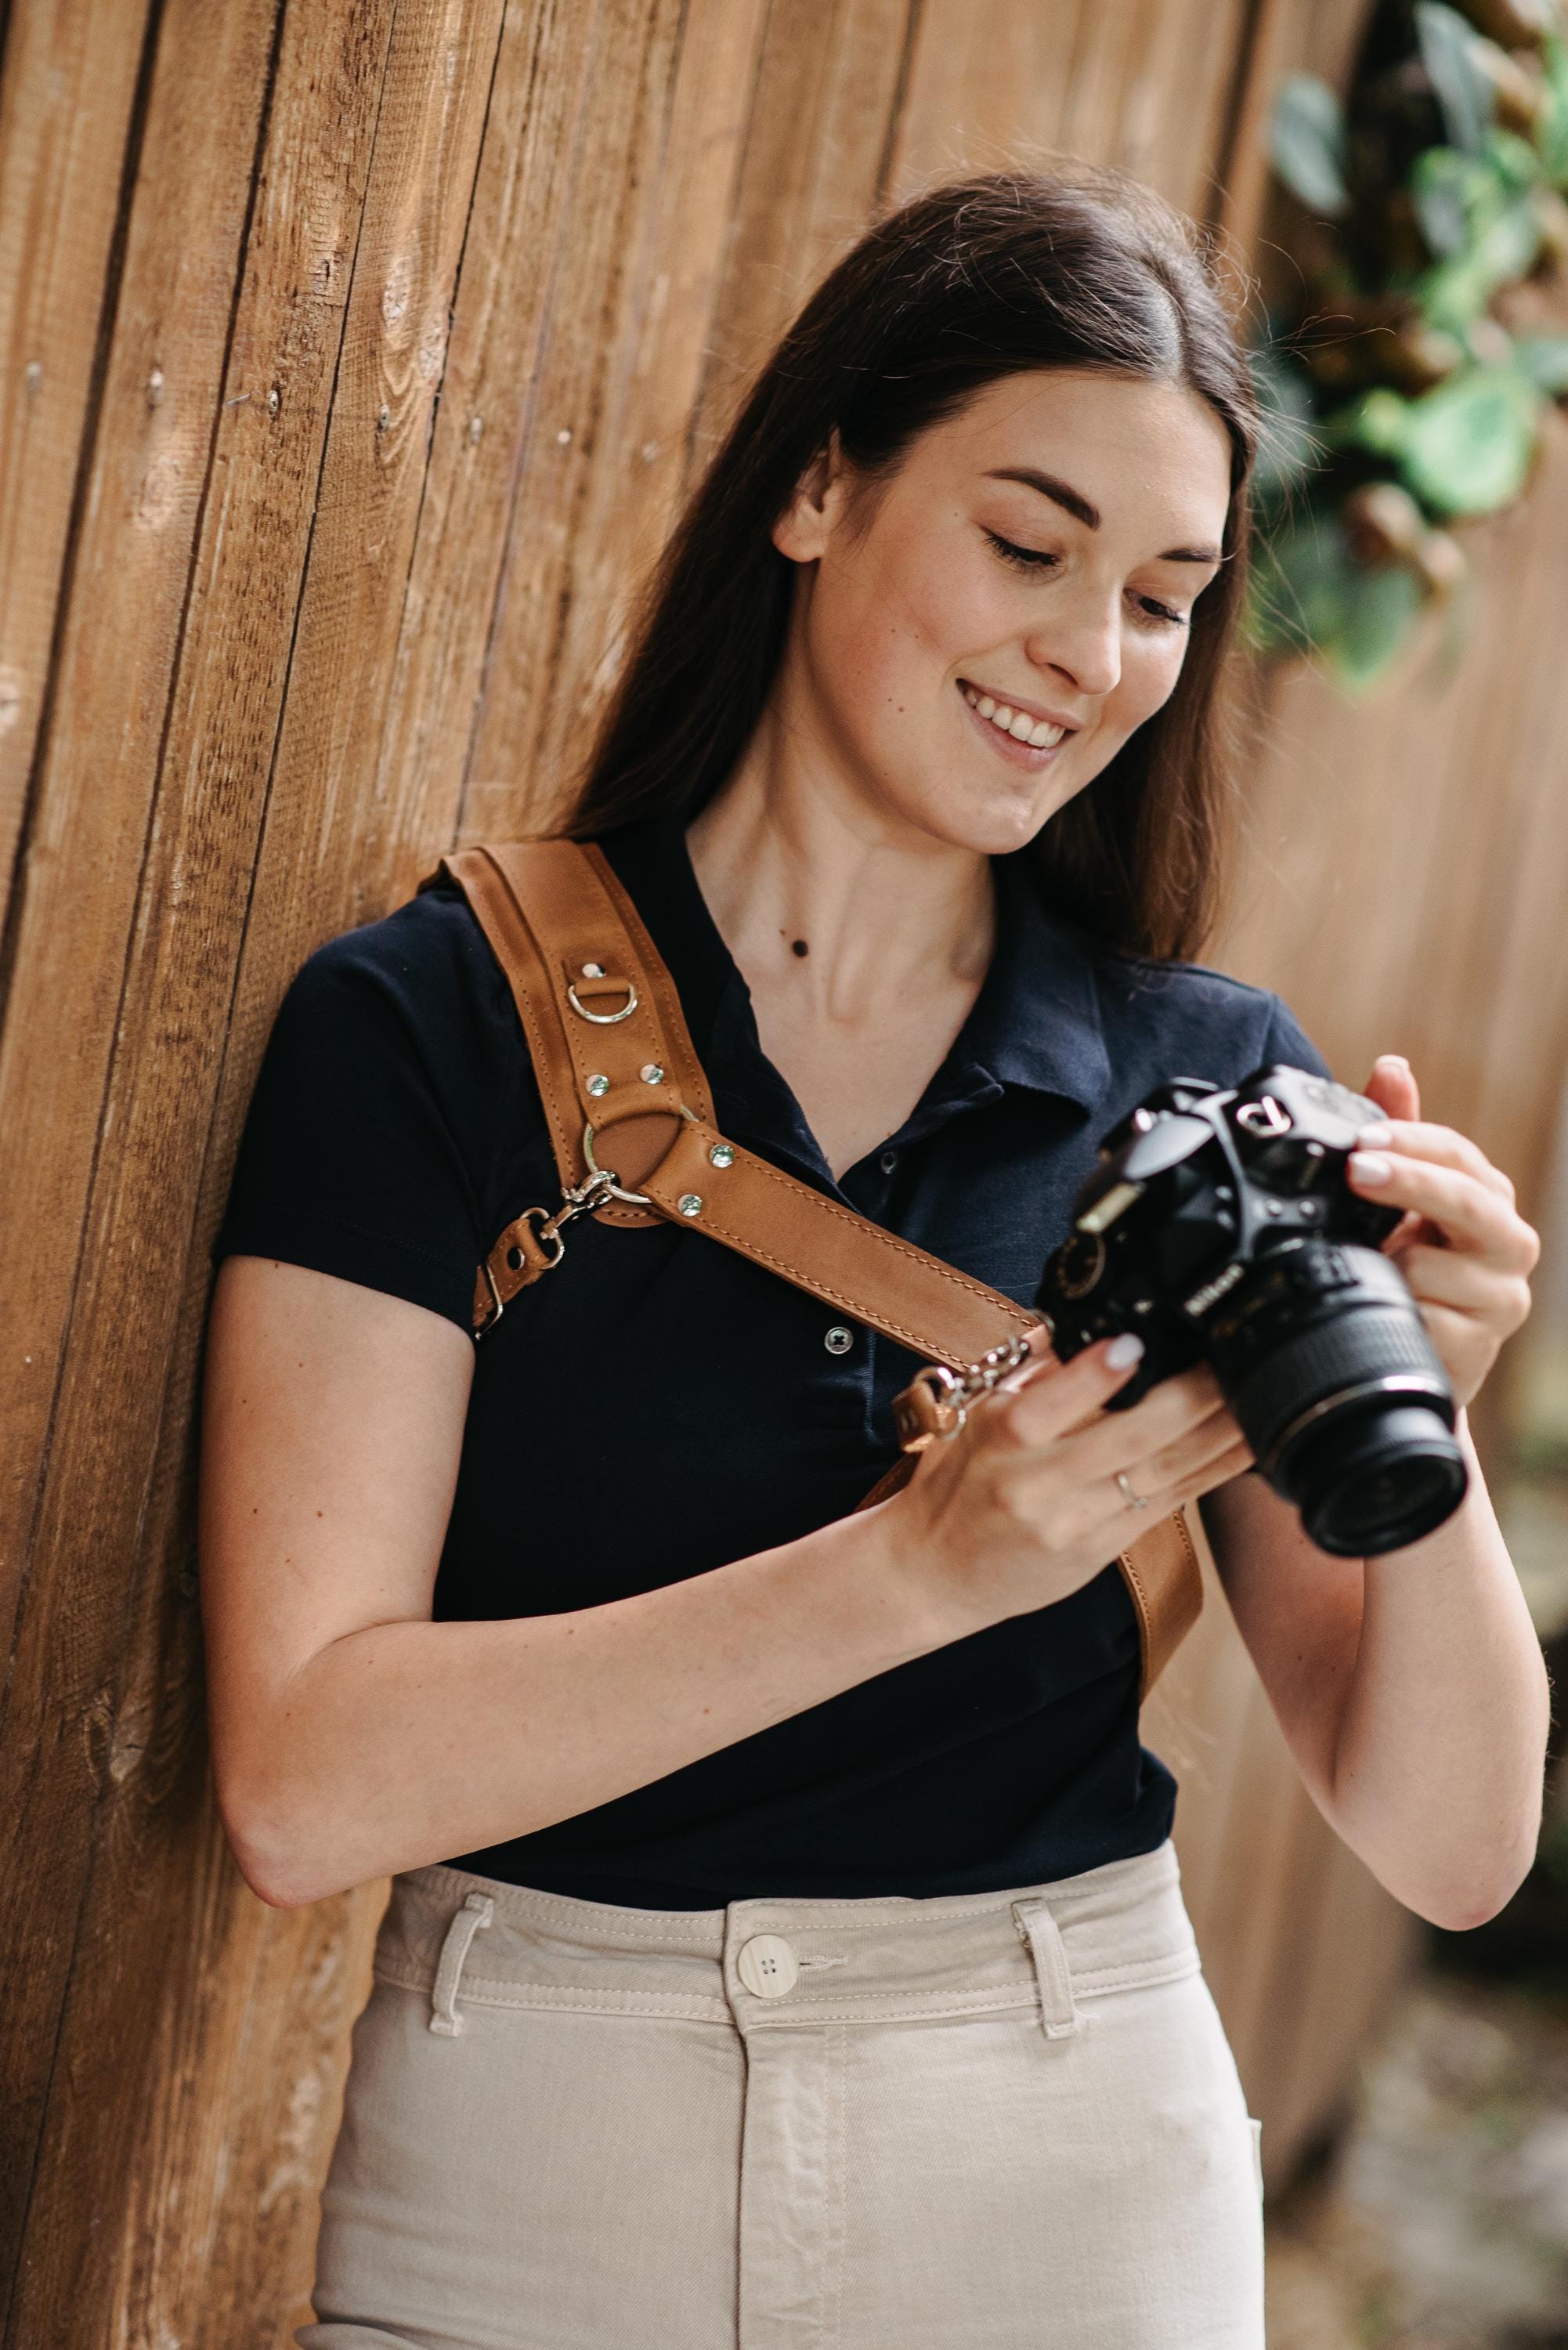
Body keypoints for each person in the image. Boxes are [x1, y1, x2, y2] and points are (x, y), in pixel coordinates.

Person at [198, 164, 1549, 2348]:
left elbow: (1448, 1846)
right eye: (1027, 546)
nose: (1088, 656)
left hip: (1062, 2152)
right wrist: (924, 1567)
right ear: (818, 482)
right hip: (518, 2171)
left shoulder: (1204, 1090)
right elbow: (303, 1779)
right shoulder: (429, 1025)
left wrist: (1445, 1421)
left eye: (1162, 594)